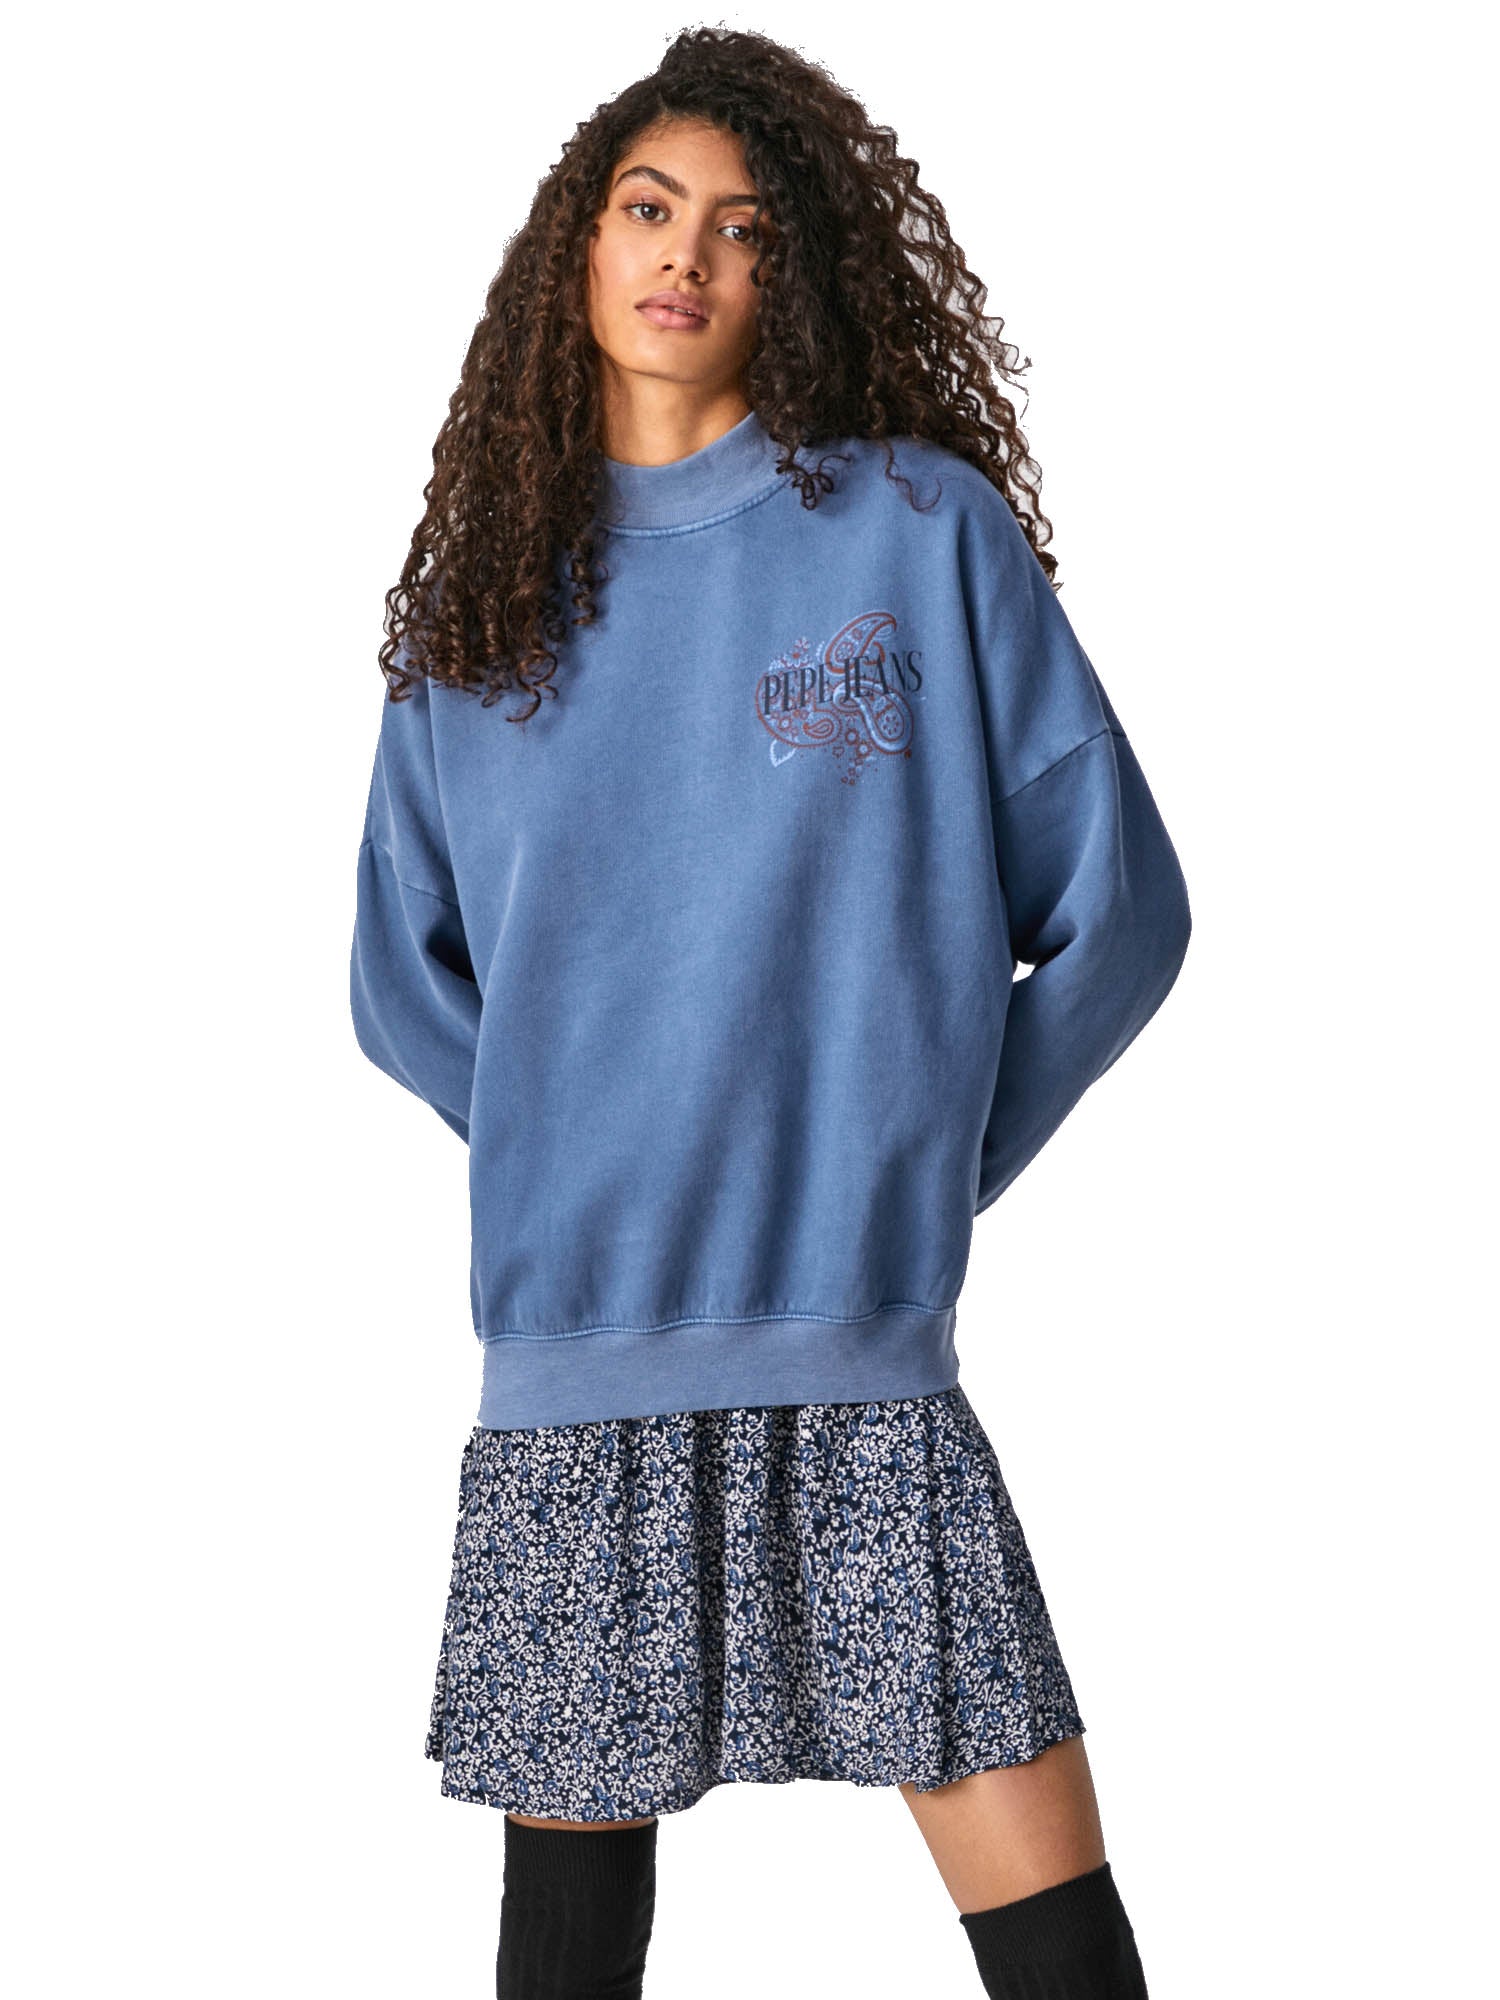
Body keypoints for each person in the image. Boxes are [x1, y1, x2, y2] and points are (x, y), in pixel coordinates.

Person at [348, 27, 1191, 2000]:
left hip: (862, 1349)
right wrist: (595, 1137)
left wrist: (924, 1149)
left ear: (791, 277)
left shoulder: (917, 532)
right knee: (570, 1959)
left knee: (1059, 1950)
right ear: (577, 246)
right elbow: (398, 981)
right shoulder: (483, 601)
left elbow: (1123, 914)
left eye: (741, 228)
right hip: (578, 1361)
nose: (687, 255)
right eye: (648, 208)